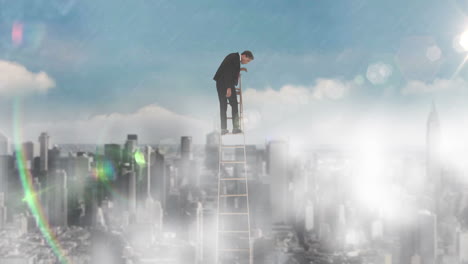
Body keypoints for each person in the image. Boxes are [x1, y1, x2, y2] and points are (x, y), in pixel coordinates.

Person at [213, 50, 254, 135]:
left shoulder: (234, 58)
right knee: (234, 104)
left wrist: (240, 69)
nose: (246, 63)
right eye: (248, 60)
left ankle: (224, 129)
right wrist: (228, 87)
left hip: (221, 83)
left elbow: (232, 71)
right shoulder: (234, 58)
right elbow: (228, 72)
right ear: (244, 56)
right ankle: (235, 128)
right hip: (225, 83)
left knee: (223, 105)